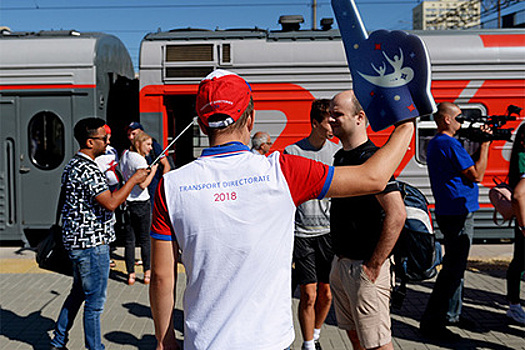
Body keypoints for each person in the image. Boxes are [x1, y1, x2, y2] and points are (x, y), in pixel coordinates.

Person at [149, 69, 414, 350]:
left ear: (202, 124)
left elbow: (162, 276)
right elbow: (373, 177)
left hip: (203, 342)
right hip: (269, 342)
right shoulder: (283, 171)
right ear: (251, 119)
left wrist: (164, 340)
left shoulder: (171, 186)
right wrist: (407, 122)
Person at [50, 118, 149, 350]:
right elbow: (111, 203)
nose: (108, 141)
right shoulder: (89, 169)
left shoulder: (72, 165)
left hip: (77, 242)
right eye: (104, 138)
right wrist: (134, 179)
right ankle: (95, 348)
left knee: (78, 294)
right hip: (92, 244)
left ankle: (58, 340)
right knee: (95, 303)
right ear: (90, 141)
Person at [328, 90, 406, 350]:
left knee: (377, 344)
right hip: (342, 264)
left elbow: (397, 214)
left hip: (365, 267)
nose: (331, 120)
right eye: (330, 114)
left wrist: (374, 265)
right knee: (355, 337)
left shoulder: (373, 158)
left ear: (360, 117)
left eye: (337, 114)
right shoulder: (340, 157)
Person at [420, 102, 492, 341]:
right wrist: (485, 145)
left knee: (456, 268)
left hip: (449, 210)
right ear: (447, 120)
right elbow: (477, 174)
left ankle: (452, 314)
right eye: (459, 118)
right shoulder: (449, 143)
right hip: (458, 213)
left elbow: (460, 169)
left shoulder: (437, 143)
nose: (463, 122)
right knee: (452, 270)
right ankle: (433, 323)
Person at [284, 99, 341, 350]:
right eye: (330, 120)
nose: (334, 124)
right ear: (315, 122)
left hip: (329, 232)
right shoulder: (292, 153)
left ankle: (316, 335)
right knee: (308, 294)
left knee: (326, 294)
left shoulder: (337, 153)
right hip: (301, 233)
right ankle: (307, 345)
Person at [120, 131, 159, 285]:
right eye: (147, 144)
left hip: (128, 203)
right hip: (142, 203)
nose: (150, 148)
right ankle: (147, 273)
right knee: (144, 240)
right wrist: (153, 171)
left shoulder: (125, 156)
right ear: (139, 143)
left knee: (129, 241)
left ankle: (130, 274)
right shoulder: (140, 161)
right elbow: (143, 185)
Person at [506, 123, 525, 325]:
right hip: (524, 219)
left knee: (519, 261)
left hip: (522, 220)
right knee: (519, 262)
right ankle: (514, 305)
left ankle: (514, 304)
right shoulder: (522, 158)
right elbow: (519, 193)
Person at [126, 122, 171, 205]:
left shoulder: (154, 146)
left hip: (153, 185)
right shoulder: (129, 152)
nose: (131, 137)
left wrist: (162, 185)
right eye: (129, 135)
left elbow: (166, 165)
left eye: (133, 134)